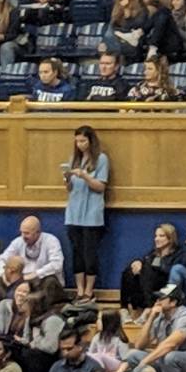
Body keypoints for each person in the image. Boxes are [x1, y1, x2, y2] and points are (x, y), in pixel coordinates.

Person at [61, 127, 110, 303]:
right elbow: (69, 188)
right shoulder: (74, 159)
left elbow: (100, 186)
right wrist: (67, 178)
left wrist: (85, 176)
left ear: (90, 141)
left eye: (83, 141)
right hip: (74, 213)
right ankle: (79, 290)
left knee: (90, 254)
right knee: (76, 253)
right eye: (77, 141)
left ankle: (89, 291)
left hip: (92, 214)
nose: (80, 144)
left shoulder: (101, 159)